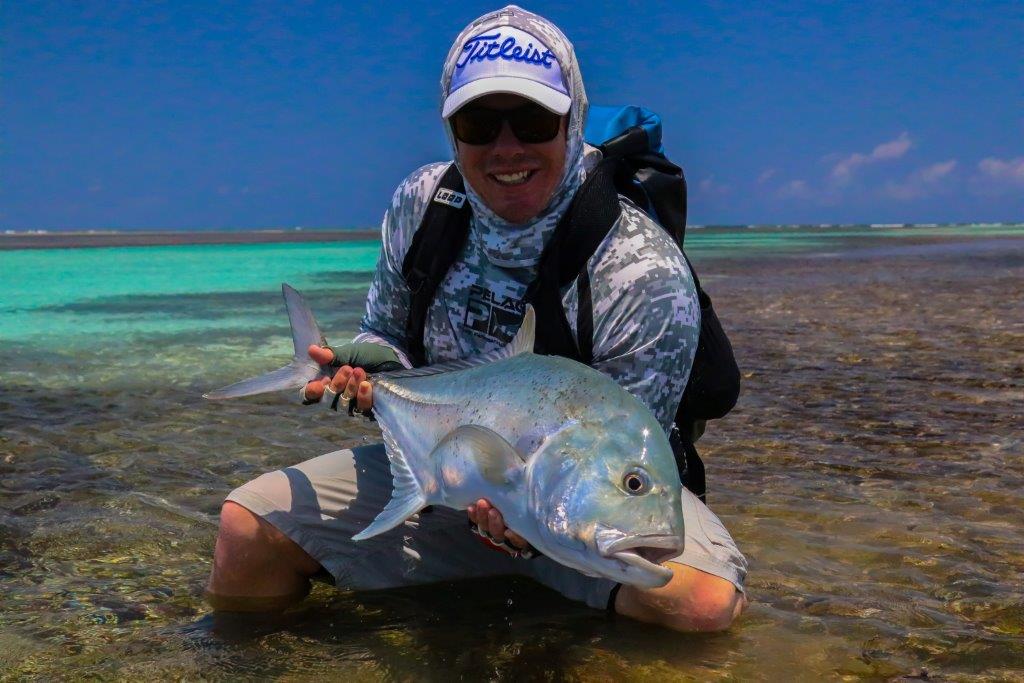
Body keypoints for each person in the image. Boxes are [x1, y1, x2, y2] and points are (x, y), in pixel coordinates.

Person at [207, 5, 747, 632]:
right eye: (478, 123)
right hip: (448, 472)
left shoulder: (644, 273)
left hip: (574, 508)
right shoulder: (423, 204)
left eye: (534, 120)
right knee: (246, 531)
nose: (507, 147)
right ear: (451, 131)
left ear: (571, 120)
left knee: (699, 603)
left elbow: (623, 445)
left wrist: (526, 527)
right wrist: (368, 373)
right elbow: (387, 334)